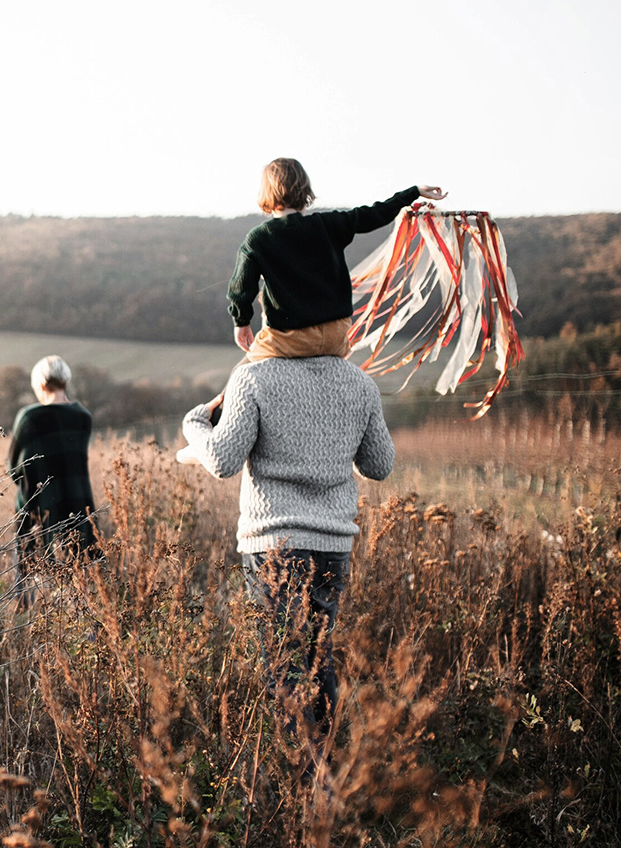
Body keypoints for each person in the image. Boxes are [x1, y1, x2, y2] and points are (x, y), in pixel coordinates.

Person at [179, 353, 394, 761]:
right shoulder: (359, 382)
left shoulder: (253, 376)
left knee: (285, 667)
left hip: (275, 545)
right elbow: (380, 465)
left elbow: (223, 461)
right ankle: (324, 778)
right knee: (318, 659)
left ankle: (301, 788)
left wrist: (195, 424)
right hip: (332, 545)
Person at [228, 157, 447, 361]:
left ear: (266, 192)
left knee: (244, 371)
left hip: (291, 340)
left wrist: (241, 322)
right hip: (337, 337)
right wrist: (414, 192)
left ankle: (215, 404)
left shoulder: (257, 239)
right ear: (304, 188)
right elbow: (374, 214)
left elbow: (241, 288)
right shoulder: (329, 224)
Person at [6, 355, 99, 601]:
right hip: (79, 504)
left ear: (41, 385)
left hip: (38, 508)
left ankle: (26, 616)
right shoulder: (83, 417)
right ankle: (85, 629)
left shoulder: (29, 418)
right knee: (81, 578)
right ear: (64, 382)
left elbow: (14, 468)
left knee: (29, 577)